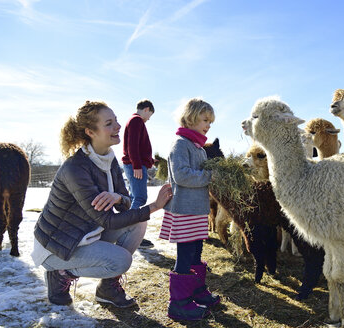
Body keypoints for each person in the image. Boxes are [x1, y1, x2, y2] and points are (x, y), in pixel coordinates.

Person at [31, 101, 172, 308]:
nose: (118, 126)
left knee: (138, 223)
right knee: (121, 261)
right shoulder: (75, 168)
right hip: (58, 246)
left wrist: (118, 198)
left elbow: (127, 202)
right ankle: (59, 272)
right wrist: (154, 206)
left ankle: (107, 288)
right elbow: (107, 220)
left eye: (116, 120)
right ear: (90, 131)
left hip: (85, 234)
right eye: (109, 123)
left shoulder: (108, 158)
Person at [159, 98, 220, 320]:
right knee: (184, 255)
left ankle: (196, 291)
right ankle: (178, 303)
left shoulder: (198, 147)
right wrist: (210, 176)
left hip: (197, 210)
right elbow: (182, 175)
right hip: (184, 210)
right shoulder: (180, 145)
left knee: (196, 251)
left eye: (210, 122)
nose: (208, 125)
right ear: (191, 118)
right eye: (205, 120)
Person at [122, 99, 156, 249]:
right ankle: (132, 233)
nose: (149, 119)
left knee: (133, 197)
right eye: (150, 115)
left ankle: (124, 230)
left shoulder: (134, 121)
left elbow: (139, 147)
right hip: (135, 165)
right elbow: (132, 146)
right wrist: (137, 165)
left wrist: (150, 160)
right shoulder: (136, 121)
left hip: (135, 164)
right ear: (146, 109)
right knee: (140, 197)